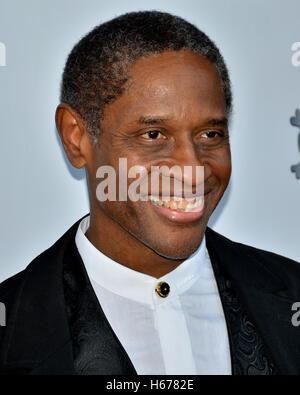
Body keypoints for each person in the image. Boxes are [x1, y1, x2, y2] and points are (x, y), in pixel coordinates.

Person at [0, 11, 299, 376]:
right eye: (153, 135)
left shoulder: (292, 298)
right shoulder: (12, 323)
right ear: (76, 138)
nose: (191, 169)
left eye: (210, 134)